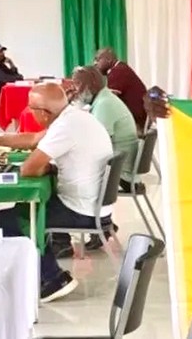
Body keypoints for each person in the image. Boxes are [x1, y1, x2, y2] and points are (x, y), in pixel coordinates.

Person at [0, 83, 113, 302]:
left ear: (44, 113)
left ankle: (52, 279)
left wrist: (44, 166)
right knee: (26, 208)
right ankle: (41, 272)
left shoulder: (65, 127)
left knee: (1, 220)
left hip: (81, 210)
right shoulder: (73, 117)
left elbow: (28, 169)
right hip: (93, 203)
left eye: (31, 108)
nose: (29, 112)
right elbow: (33, 140)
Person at [70, 66, 139, 250]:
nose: (75, 90)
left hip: (121, 172)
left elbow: (97, 143)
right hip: (120, 165)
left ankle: (87, 228)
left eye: (77, 85)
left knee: (67, 177)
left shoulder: (104, 104)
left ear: (90, 85)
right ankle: (104, 223)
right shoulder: (103, 99)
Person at [93, 48, 148, 129]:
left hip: (135, 122)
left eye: (97, 60)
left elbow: (105, 99)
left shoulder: (118, 72)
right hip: (136, 118)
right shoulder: (121, 68)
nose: (95, 64)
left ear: (108, 59)